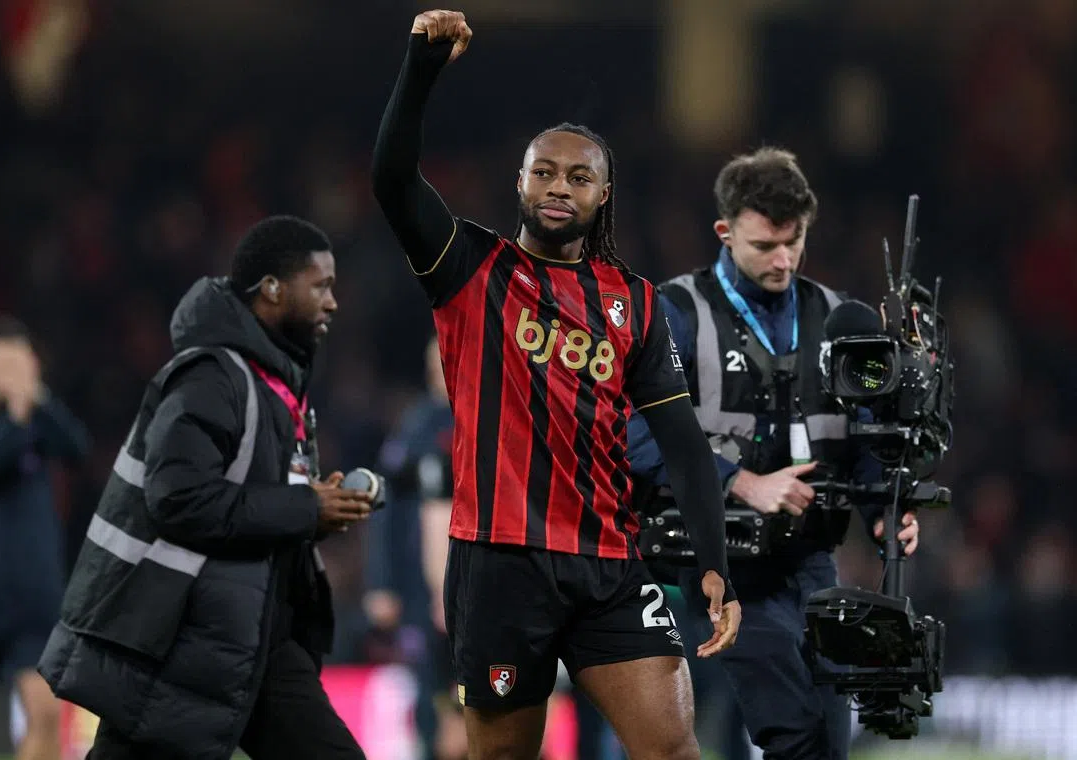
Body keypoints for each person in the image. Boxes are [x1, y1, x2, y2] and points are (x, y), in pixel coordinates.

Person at [371, 11, 741, 760]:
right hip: (499, 564)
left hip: (609, 563)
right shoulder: (468, 267)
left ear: (604, 194)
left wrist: (715, 565)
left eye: (578, 176)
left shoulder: (634, 303)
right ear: (520, 182)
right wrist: (421, 70)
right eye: (543, 171)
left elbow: (681, 443)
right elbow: (392, 178)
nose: (558, 186)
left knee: (674, 750)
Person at [37, 216, 376, 760]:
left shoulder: (271, 383)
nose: (332, 302)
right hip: (183, 643)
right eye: (320, 286)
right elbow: (178, 499)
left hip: (257, 637)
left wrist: (315, 505)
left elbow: (249, 502)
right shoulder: (209, 378)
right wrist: (303, 506)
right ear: (272, 288)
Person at [627, 148, 922, 760]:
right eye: (765, 245)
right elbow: (630, 430)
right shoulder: (676, 313)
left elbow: (867, 433)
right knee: (792, 730)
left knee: (828, 741)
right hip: (721, 566)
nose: (783, 260)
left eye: (795, 242)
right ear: (725, 231)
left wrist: (883, 512)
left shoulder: (839, 318)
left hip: (812, 562)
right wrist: (740, 481)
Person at [0, 315, 90, 760]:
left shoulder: (36, 418)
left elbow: (77, 448)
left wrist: (39, 400)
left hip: (33, 595)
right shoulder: (7, 422)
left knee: (44, 716)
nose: (15, 376)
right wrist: (19, 415)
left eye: (23, 364)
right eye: (5, 364)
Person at [362, 335, 457, 760]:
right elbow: (384, 506)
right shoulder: (419, 426)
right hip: (421, 583)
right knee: (429, 687)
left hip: (480, 580)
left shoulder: (488, 417)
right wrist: (382, 583)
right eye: (435, 365)